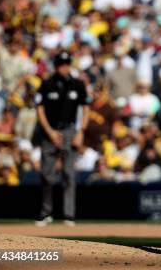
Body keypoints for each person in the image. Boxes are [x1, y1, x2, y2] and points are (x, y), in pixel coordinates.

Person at [35, 51, 89, 226]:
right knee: (47, 174)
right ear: (56, 65)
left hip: (69, 130)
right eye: (60, 64)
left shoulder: (77, 84)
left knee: (68, 174)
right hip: (50, 131)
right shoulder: (47, 84)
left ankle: (68, 215)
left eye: (66, 64)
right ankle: (46, 212)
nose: (64, 67)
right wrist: (50, 132)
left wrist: (81, 132)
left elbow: (85, 109)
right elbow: (39, 109)